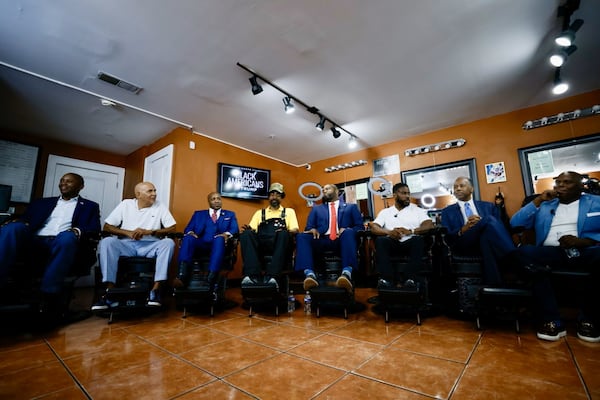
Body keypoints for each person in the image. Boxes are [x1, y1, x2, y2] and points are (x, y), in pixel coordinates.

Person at [511, 171, 600, 342]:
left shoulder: (596, 202)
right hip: (551, 253)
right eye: (558, 182)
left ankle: (588, 321)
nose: (561, 186)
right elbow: (515, 223)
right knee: (523, 253)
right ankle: (551, 320)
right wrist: (538, 200)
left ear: (581, 186)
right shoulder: (545, 205)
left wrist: (585, 241)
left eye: (567, 182)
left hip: (587, 251)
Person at [0, 173, 100, 315]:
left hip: (62, 242)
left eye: (69, 181)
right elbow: (25, 219)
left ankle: (48, 295)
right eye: (62, 180)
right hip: (35, 241)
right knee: (12, 228)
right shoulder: (41, 202)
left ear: (81, 186)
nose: (63, 183)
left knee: (66, 237)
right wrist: (18, 223)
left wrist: (76, 231)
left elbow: (94, 227)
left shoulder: (90, 206)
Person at [92, 182, 176, 310]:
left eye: (154, 190)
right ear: (138, 194)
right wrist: (128, 232)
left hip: (150, 245)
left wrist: (150, 231)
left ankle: (156, 290)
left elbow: (172, 228)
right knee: (107, 241)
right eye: (150, 191)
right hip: (127, 245)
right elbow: (107, 226)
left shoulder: (160, 206)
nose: (154, 194)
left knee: (168, 242)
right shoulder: (126, 204)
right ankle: (110, 290)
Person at [440, 176, 515, 285]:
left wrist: (480, 223)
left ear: (471, 189)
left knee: (486, 237)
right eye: (455, 187)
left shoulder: (488, 206)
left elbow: (499, 227)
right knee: (488, 219)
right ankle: (514, 256)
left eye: (462, 186)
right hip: (463, 243)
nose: (458, 189)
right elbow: (447, 236)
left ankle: (494, 287)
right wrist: (463, 228)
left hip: (486, 240)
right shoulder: (447, 211)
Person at [295, 184, 363, 292]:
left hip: (342, 240)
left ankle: (346, 274)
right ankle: (310, 275)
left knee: (349, 232)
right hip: (322, 240)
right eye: (323, 189)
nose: (324, 190)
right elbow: (309, 227)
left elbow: (360, 227)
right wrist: (312, 229)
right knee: (302, 236)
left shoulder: (351, 207)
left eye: (327, 188)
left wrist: (346, 229)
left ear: (336, 191)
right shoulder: (316, 209)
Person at [369, 182, 434, 288]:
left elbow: (429, 224)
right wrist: (389, 232)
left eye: (408, 193)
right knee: (381, 241)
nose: (407, 196)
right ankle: (387, 279)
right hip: (393, 243)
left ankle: (410, 278)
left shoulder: (417, 210)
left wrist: (411, 231)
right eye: (404, 193)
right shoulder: (386, 212)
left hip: (411, 243)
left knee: (418, 240)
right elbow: (374, 227)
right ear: (395, 195)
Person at [173, 192, 239, 289]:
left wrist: (226, 234)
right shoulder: (198, 214)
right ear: (208, 201)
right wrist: (191, 232)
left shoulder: (230, 214)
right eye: (213, 199)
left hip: (219, 245)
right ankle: (181, 275)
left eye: (218, 198)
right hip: (200, 243)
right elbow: (188, 228)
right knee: (188, 237)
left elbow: (234, 229)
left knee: (219, 238)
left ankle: (211, 277)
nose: (216, 201)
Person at [240, 183, 299, 289]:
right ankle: (252, 276)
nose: (274, 197)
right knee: (246, 234)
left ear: (281, 197)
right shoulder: (259, 213)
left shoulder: (289, 212)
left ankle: (273, 276)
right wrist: (249, 230)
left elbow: (295, 229)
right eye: (272, 194)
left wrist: (286, 231)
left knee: (284, 233)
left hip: (280, 244)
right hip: (263, 245)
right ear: (269, 197)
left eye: (277, 195)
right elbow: (252, 229)